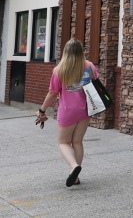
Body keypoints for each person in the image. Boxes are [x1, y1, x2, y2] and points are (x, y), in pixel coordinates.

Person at [36, 38, 99, 187]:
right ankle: (75, 177)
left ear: (66, 52)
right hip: (85, 110)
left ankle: (73, 167)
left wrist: (42, 110)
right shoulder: (89, 66)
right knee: (77, 141)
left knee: (63, 142)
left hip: (67, 111)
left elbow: (52, 93)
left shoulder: (59, 69)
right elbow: (97, 83)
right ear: (80, 52)